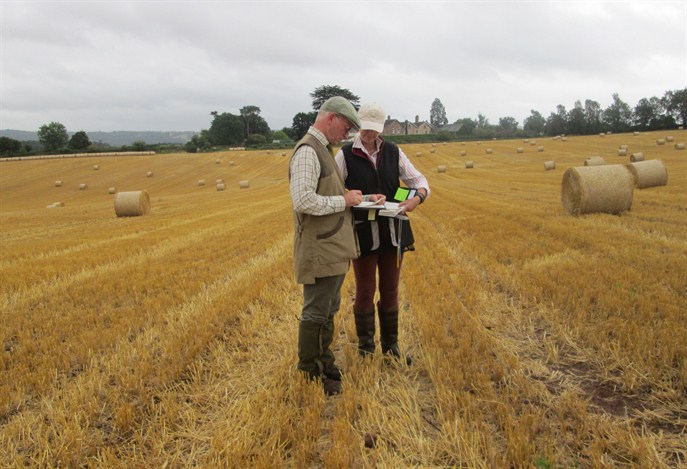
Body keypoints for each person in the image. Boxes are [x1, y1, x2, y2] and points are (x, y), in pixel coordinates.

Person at [335, 102, 430, 365]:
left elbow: (420, 181)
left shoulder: (394, 152)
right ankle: (366, 350)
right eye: (366, 130)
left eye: (375, 131)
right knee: (365, 290)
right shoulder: (344, 155)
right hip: (363, 234)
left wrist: (417, 199)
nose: (370, 135)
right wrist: (362, 197)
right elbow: (333, 191)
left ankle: (391, 348)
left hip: (393, 232)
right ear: (358, 125)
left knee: (390, 290)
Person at [289, 96, 370, 396]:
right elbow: (303, 200)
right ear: (331, 118)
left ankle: (324, 363)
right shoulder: (309, 152)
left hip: (331, 248)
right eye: (347, 127)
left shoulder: (323, 150)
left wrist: (356, 197)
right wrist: (343, 201)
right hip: (319, 248)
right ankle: (310, 371)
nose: (347, 134)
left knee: (328, 309)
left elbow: (325, 192)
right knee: (316, 312)